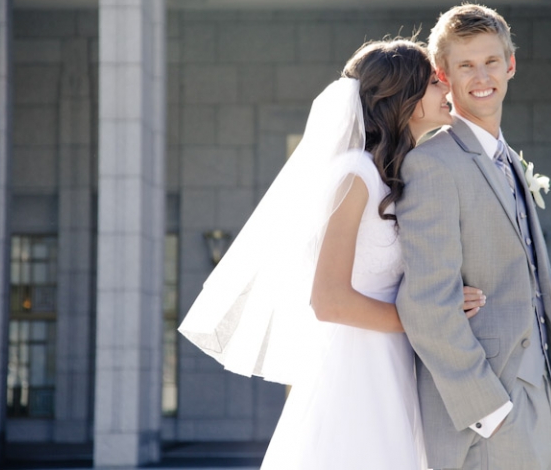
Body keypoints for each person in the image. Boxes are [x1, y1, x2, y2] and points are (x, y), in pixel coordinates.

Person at [178, 38, 484, 470]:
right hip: (357, 371)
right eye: (435, 81)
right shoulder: (355, 175)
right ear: (406, 99)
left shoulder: (402, 178)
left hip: (396, 364)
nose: (447, 88)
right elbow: (329, 300)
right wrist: (434, 317)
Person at [395, 3, 551, 470]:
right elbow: (426, 304)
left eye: (491, 61)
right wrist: (490, 411)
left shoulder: (509, 161)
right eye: (465, 65)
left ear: (510, 65)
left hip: (547, 402)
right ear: (444, 75)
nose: (482, 76)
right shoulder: (432, 164)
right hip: (488, 418)